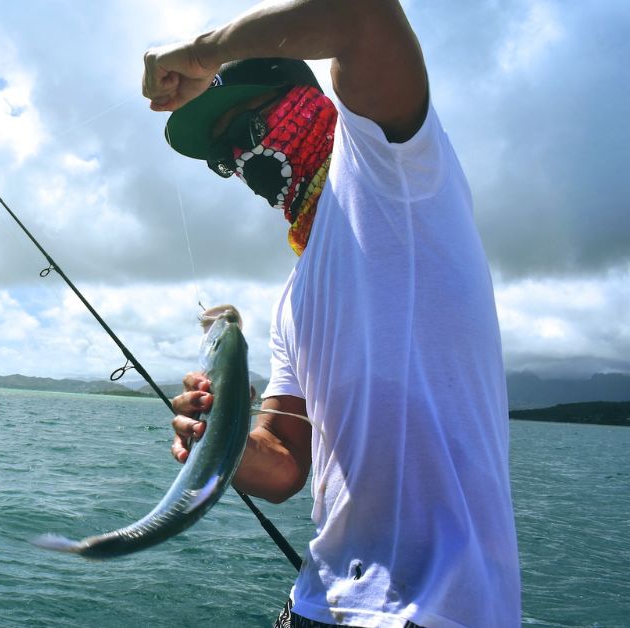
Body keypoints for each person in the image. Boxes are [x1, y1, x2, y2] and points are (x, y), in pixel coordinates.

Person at [142, 1, 521, 626]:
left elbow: (362, 13)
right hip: (317, 604)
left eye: (251, 128)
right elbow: (286, 464)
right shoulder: (292, 301)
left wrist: (203, 54)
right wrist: (224, 439)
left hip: (440, 610)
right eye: (225, 154)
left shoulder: (392, 167)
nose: (242, 159)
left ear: (311, 102)